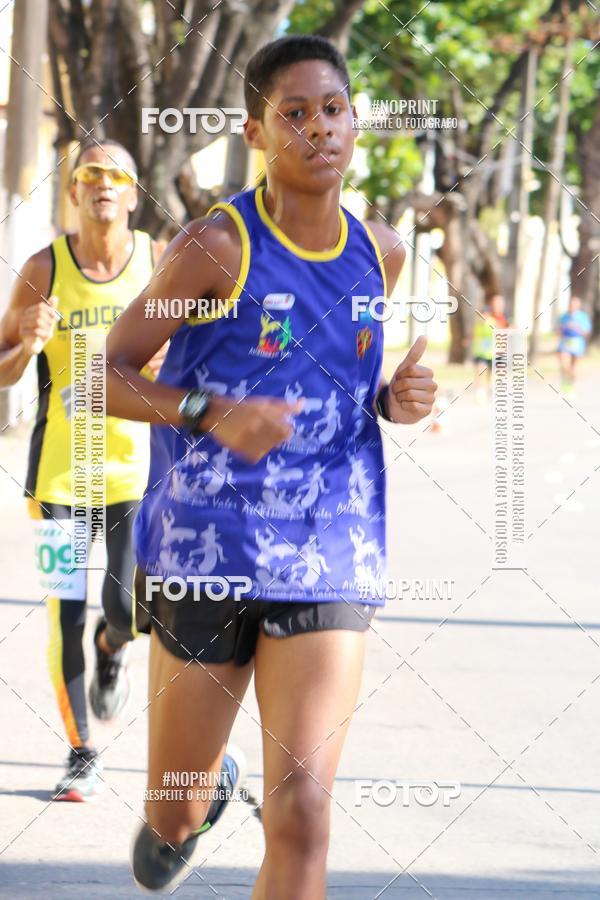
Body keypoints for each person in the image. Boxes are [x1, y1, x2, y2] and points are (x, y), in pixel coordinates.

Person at [105, 35, 437, 896]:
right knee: (171, 815)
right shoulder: (216, 247)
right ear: (256, 132)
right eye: (295, 113)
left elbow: (341, 383)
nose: (319, 128)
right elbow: (102, 378)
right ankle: (200, 796)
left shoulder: (381, 251)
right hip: (205, 552)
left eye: (334, 109)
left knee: (303, 815)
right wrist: (211, 412)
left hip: (330, 550)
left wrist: (392, 399)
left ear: (354, 121)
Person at [0, 140, 165, 801]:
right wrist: (26, 345)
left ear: (132, 193)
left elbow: (194, 351)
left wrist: (171, 364)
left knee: (129, 609)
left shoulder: (157, 261)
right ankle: (80, 751)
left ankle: (112, 647)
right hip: (61, 478)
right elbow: (2, 367)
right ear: (72, 191)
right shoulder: (44, 268)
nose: (102, 183)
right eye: (89, 174)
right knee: (63, 613)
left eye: (115, 175)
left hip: (134, 472)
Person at [471, 293, 509, 400]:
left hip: (493, 353)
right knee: (480, 372)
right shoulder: (478, 324)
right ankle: (480, 392)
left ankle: (492, 390)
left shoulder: (493, 322)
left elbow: (502, 331)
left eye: (484, 315)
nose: (483, 317)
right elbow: (473, 335)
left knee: (492, 374)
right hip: (481, 353)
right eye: (481, 315)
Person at [556, 295, 592, 394]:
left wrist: (576, 327)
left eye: (574, 304)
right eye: (571, 304)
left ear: (578, 306)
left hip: (577, 342)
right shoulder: (564, 316)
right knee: (564, 364)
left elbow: (586, 332)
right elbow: (558, 330)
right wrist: (562, 329)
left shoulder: (583, 317)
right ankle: (565, 381)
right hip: (565, 341)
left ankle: (571, 386)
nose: (572, 306)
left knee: (574, 368)